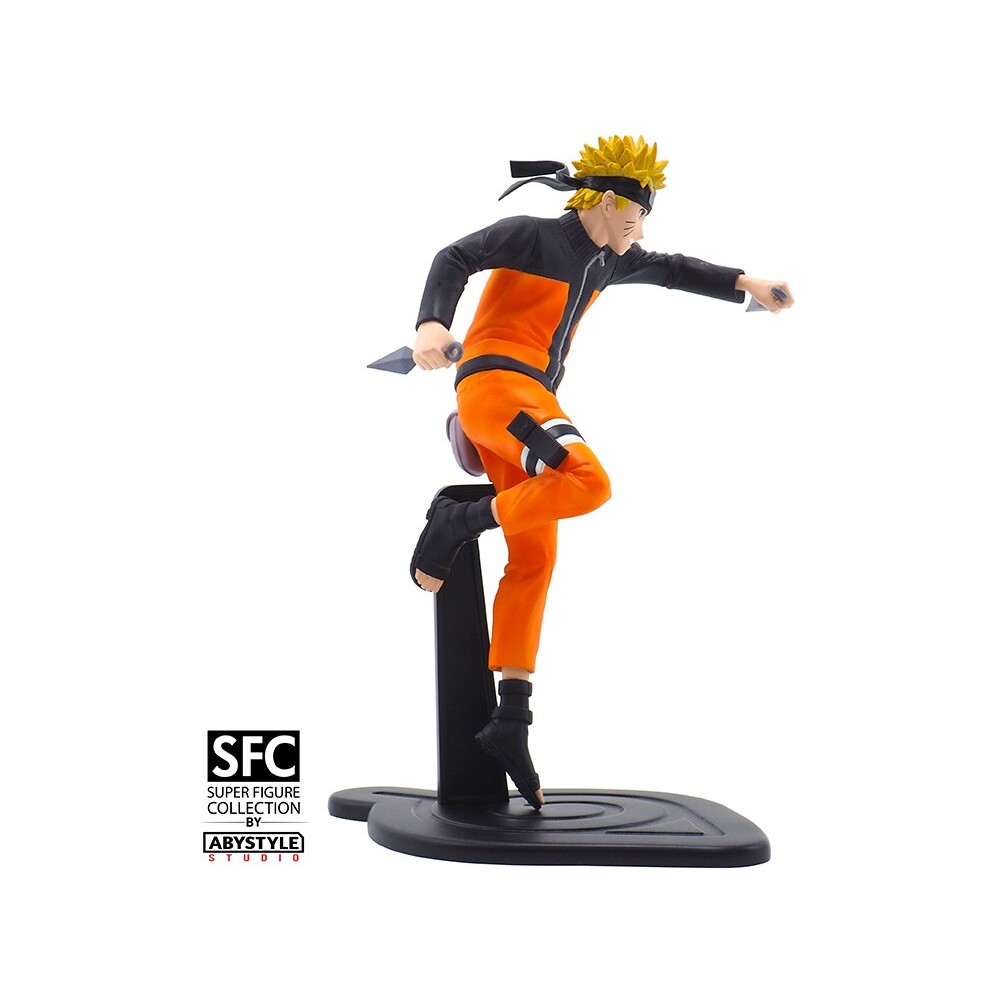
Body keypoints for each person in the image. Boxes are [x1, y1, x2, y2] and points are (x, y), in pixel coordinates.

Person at [408, 136, 793, 810]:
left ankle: (510, 720)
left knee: (535, 557)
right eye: (636, 217)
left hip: (530, 399)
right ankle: (456, 522)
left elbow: (673, 269)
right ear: (609, 202)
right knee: (588, 481)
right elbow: (454, 257)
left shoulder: (608, 261)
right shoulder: (532, 236)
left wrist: (745, 284)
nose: (639, 231)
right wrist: (432, 326)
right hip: (496, 387)